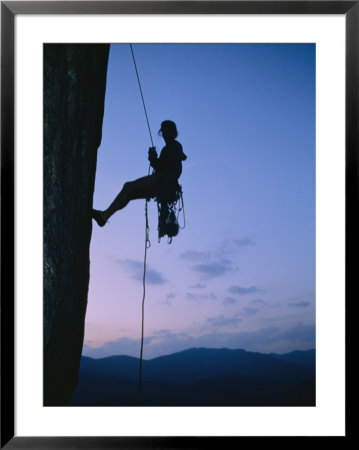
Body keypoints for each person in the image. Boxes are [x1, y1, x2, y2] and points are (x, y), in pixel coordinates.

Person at [92, 120, 187, 227]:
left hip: (161, 182)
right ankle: (104, 216)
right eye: (163, 132)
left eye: (165, 131)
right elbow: (165, 166)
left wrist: (153, 159)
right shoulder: (172, 147)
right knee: (129, 193)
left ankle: (104, 215)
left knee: (128, 187)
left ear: (170, 132)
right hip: (161, 186)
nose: (164, 135)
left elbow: (166, 167)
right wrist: (154, 160)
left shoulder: (173, 146)